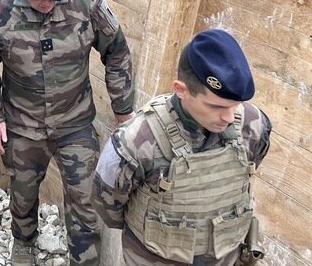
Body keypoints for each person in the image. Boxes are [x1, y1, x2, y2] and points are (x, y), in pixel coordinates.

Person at [0, 0, 135, 266]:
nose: (49, 2)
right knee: (22, 196)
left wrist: (124, 111)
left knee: (84, 201)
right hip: (22, 126)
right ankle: (23, 243)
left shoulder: (86, 4)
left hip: (75, 124)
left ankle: (83, 258)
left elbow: (117, 53)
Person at [91, 29, 272, 266]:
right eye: (216, 106)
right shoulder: (136, 140)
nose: (229, 117)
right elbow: (106, 203)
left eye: (235, 105)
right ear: (181, 90)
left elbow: (251, 165)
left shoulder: (254, 124)